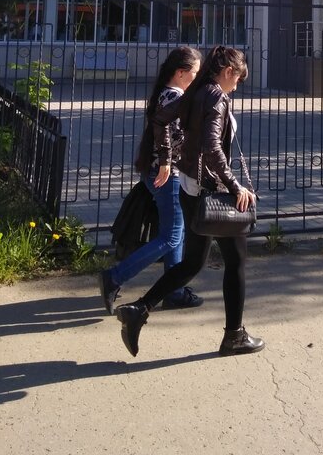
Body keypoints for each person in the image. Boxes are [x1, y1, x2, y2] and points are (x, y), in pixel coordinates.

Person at [117, 45, 264, 358]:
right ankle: (234, 337)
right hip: (211, 193)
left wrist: (166, 158)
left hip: (189, 188)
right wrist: (235, 186)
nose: (237, 86)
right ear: (228, 72)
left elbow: (159, 118)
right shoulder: (216, 97)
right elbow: (212, 147)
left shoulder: (195, 91)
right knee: (236, 262)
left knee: (192, 263)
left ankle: (138, 310)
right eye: (238, 79)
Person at [98, 45, 203, 315]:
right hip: (167, 175)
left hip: (161, 172)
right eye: (195, 72)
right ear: (181, 73)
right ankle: (114, 277)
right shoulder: (174, 97)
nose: (197, 77)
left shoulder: (167, 93)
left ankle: (174, 291)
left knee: (175, 234)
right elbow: (169, 137)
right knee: (170, 236)